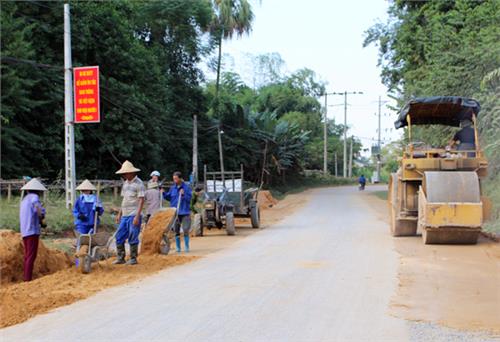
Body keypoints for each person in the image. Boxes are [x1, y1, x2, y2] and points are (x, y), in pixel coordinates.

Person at [114, 160, 145, 265]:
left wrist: (137, 216)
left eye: (126, 173)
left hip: (134, 214)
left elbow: (141, 200)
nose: (124, 175)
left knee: (133, 235)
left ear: (131, 173)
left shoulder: (139, 184)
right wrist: (119, 214)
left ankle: (133, 258)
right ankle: (120, 257)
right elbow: (124, 200)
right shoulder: (125, 184)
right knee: (119, 235)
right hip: (125, 215)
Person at [19, 178, 47, 281]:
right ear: (38, 191)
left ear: (27, 190)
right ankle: (27, 279)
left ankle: (26, 276)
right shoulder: (35, 198)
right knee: (31, 255)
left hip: (25, 230)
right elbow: (38, 209)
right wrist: (41, 219)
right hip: (32, 230)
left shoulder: (24, 199)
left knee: (27, 255)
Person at [163, 171, 192, 253]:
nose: (174, 180)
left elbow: (189, 199)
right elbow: (169, 197)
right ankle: (178, 248)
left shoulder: (186, 187)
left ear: (180, 178)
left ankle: (186, 247)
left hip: (185, 212)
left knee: (186, 229)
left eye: (176, 178)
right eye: (173, 179)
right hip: (175, 212)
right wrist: (163, 193)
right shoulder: (173, 188)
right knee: (176, 230)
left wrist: (183, 195)